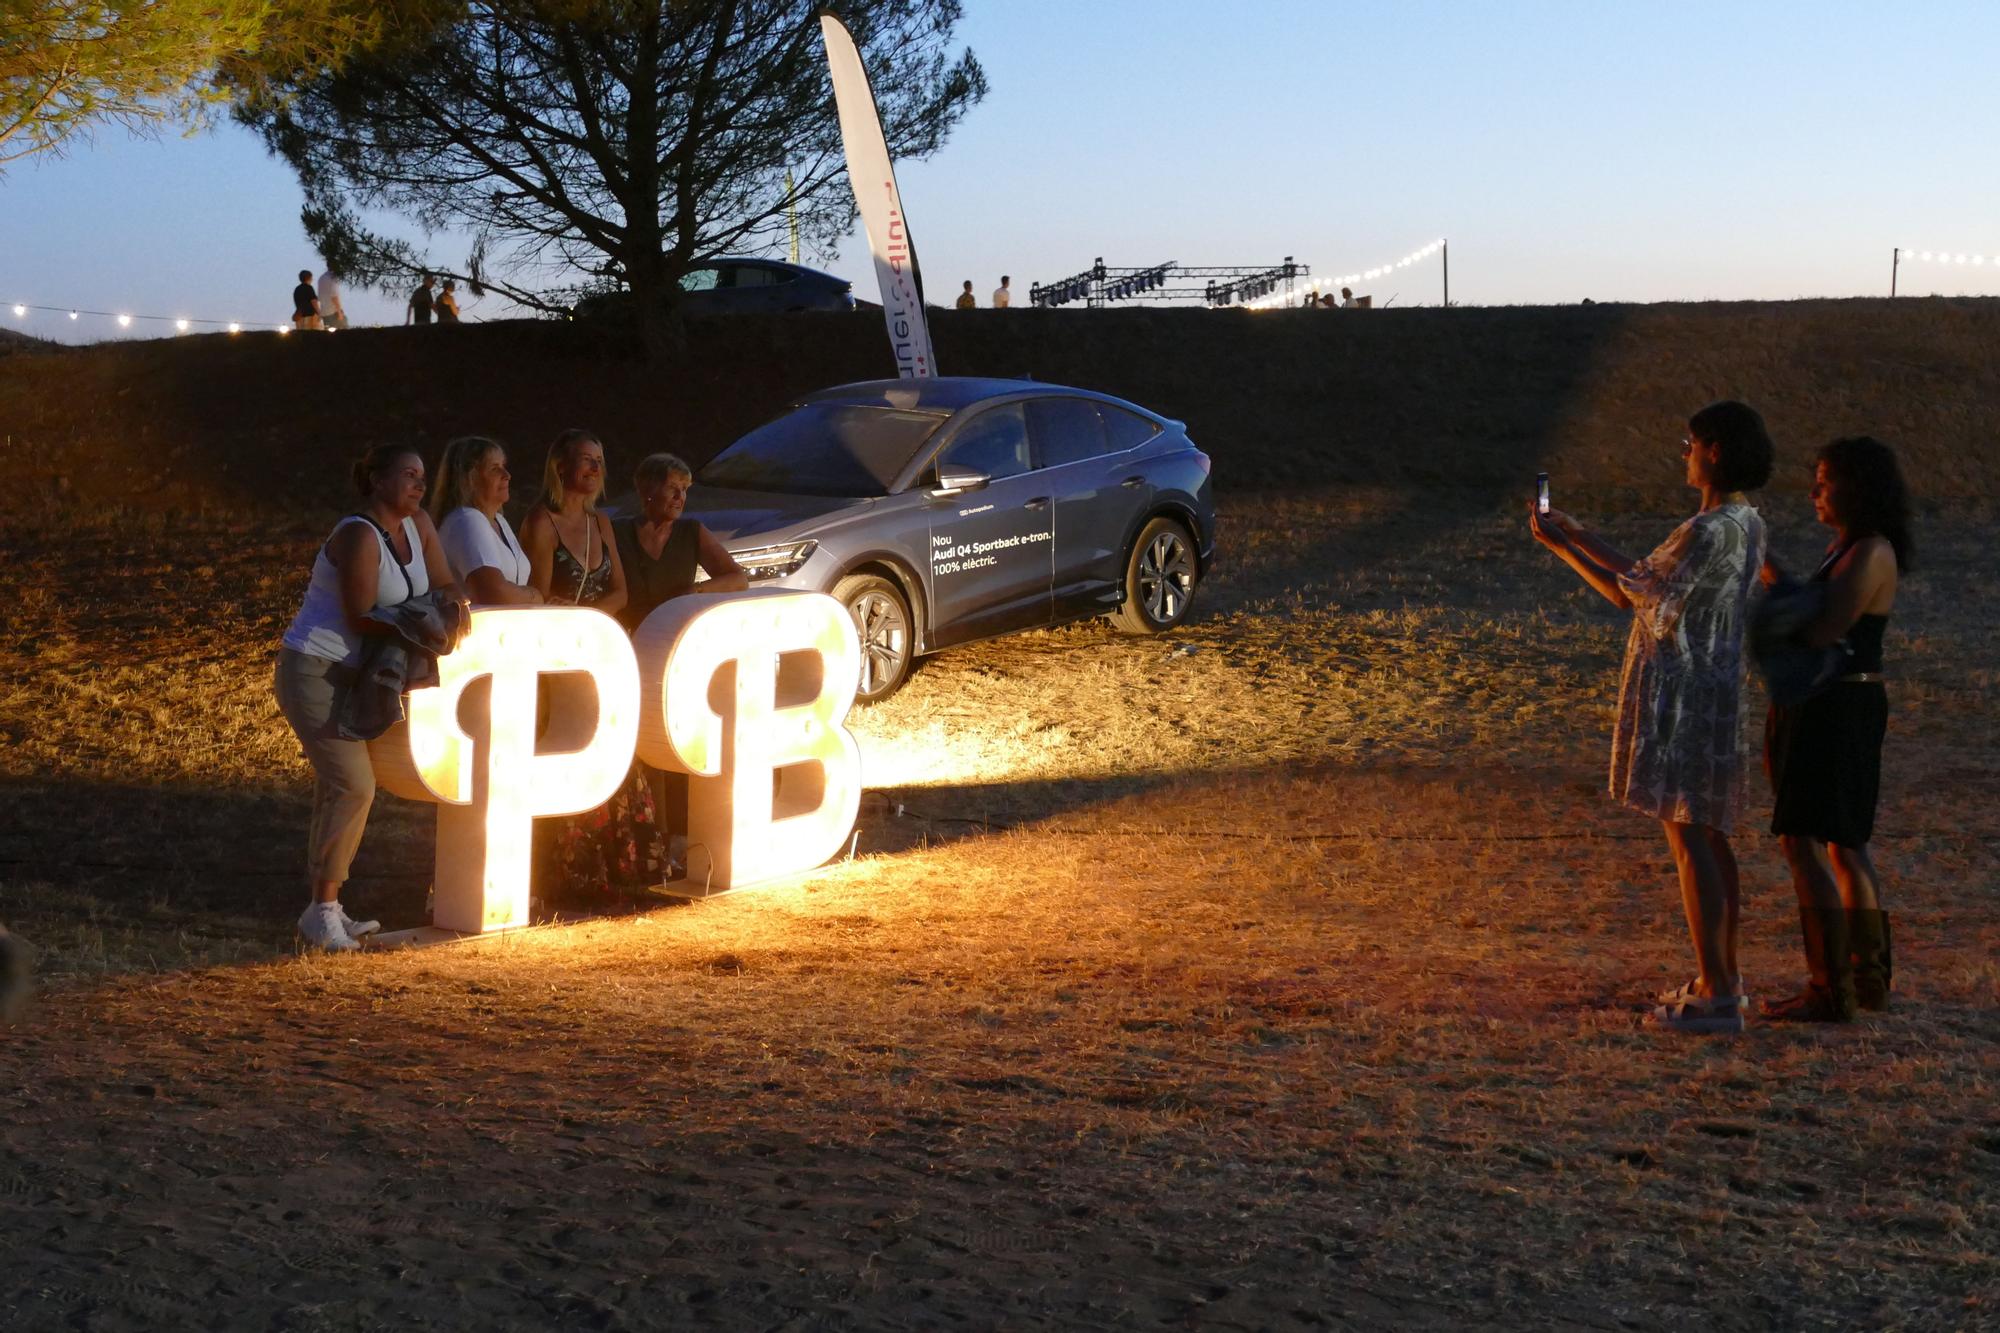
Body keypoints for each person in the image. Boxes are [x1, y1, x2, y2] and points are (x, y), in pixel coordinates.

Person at [1529, 401, 1773, 1033]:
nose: (1684, 453)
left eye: (1690, 443)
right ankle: (1725, 976)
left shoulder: (1708, 529)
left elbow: (1628, 591)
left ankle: (1717, 994)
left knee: (1688, 837)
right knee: (1710, 834)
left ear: (1714, 449)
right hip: (1714, 685)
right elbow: (1642, 581)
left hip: (1683, 693)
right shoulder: (1746, 523)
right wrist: (1577, 535)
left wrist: (1564, 544)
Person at [276, 444, 466, 951]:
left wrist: (445, 606)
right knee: (354, 785)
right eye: (406, 474)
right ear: (377, 481)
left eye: (423, 476)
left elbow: (447, 583)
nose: (418, 484)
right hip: (315, 668)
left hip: (361, 674)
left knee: (340, 787)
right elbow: (363, 613)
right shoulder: (359, 533)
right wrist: (429, 616)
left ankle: (324, 909)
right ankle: (323, 911)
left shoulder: (420, 523)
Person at [1762, 437, 1912, 1022]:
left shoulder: (1871, 551)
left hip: (1839, 707)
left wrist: (1771, 613)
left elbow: (1823, 628)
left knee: (1810, 841)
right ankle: (1866, 981)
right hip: (1831, 702)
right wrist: (1770, 568)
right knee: (1842, 843)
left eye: (1823, 480)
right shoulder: (1846, 548)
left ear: (1856, 485)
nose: (1813, 492)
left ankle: (1833, 988)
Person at [521, 429, 666, 908]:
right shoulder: (541, 522)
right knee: (572, 747)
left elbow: (622, 591)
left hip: (602, 649)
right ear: (560, 467)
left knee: (617, 749)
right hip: (560, 658)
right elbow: (537, 594)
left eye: (600, 460)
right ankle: (571, 870)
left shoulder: (603, 523)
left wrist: (593, 619)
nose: (594, 469)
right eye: (585, 460)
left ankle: (623, 864)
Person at [610, 452, 749, 634]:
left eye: (684, 489)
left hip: (674, 633)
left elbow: (738, 579)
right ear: (648, 491)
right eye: (672, 487)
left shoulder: (692, 531)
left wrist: (697, 590)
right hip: (626, 634)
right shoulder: (617, 531)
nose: (680, 496)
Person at [431, 436, 543, 606]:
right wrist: (535, 596)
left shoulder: (499, 521)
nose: (507, 475)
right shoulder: (466, 520)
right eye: (494, 468)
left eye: (504, 467)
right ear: (470, 478)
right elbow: (493, 593)